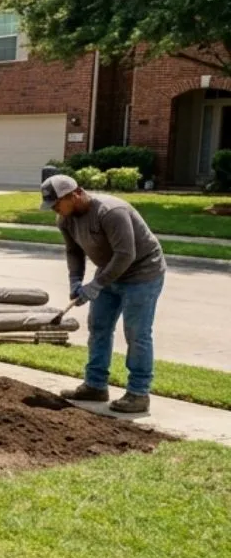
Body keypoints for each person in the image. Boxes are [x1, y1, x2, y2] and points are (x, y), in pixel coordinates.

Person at [41, 173, 166, 413]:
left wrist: (96, 285)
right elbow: (74, 252)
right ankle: (95, 385)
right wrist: (76, 281)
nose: (55, 209)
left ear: (75, 194)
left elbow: (125, 255)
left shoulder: (110, 211)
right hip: (108, 272)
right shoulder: (65, 220)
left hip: (142, 273)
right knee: (99, 327)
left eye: (57, 203)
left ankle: (139, 393)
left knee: (137, 332)